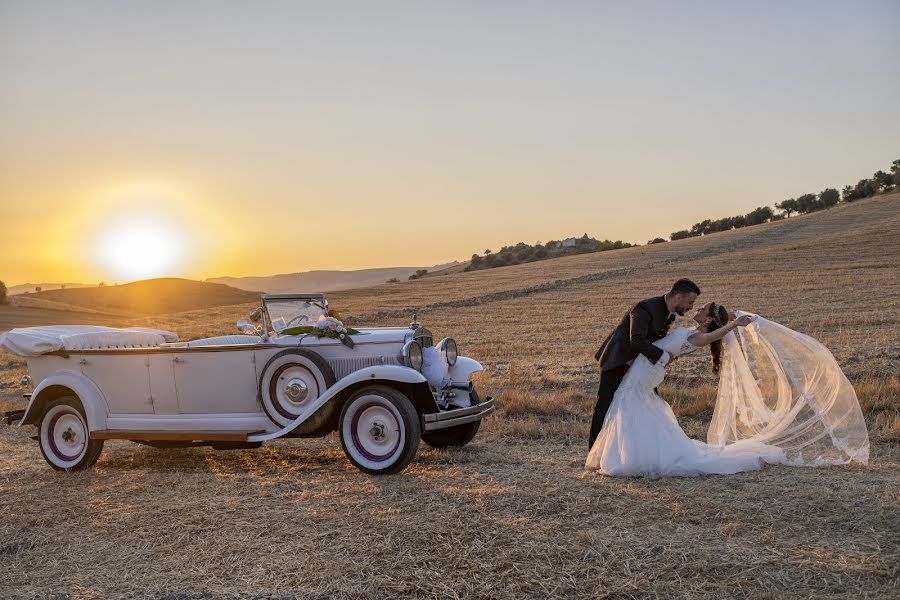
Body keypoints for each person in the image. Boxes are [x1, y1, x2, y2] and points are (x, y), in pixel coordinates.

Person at [585, 302, 869, 477]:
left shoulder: (697, 335)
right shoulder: (691, 331)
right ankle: (625, 453)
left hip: (647, 372)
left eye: (702, 308)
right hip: (646, 369)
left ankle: (628, 456)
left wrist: (733, 324)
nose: (696, 309)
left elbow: (714, 335)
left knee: (630, 405)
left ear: (707, 319)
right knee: (634, 406)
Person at [589, 278, 700, 449]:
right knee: (605, 406)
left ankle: (644, 449)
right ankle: (594, 452)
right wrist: (663, 357)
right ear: (678, 297)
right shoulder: (645, 307)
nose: (691, 307)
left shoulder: (668, 313)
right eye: (690, 302)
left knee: (649, 404)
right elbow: (637, 340)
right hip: (618, 361)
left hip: (640, 367)